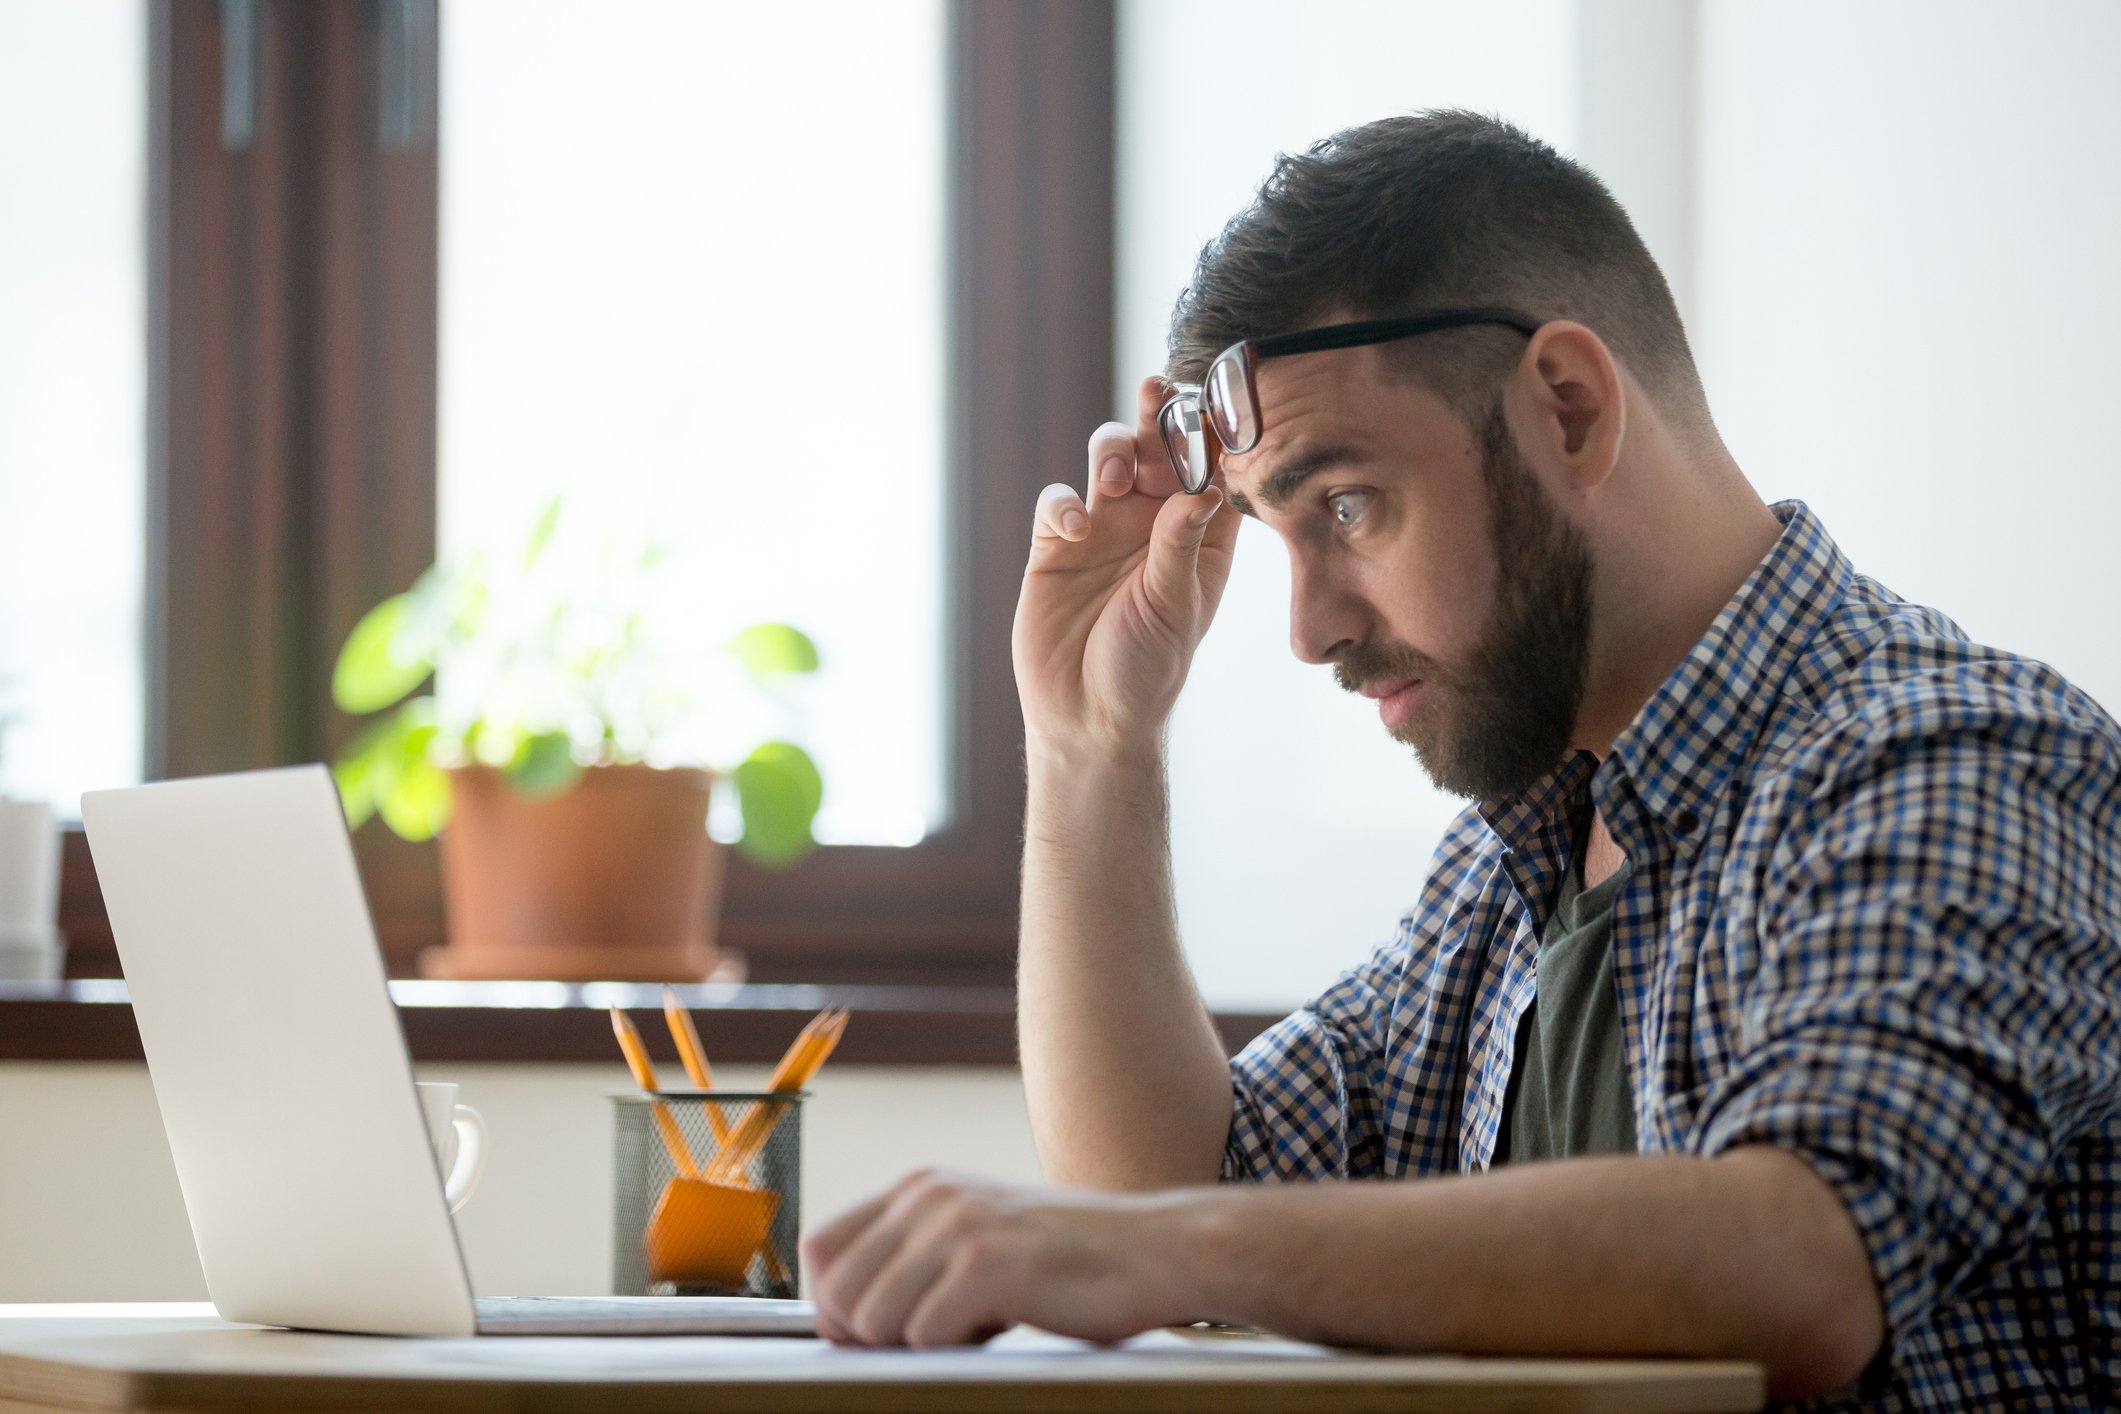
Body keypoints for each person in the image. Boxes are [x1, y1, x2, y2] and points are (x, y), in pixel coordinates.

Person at [801, 111, 2121, 1408]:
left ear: (1567, 406)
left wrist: (1155, 1247)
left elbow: (1803, 1259)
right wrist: (1087, 741)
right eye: (1274, 533)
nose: (1307, 627)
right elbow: (1172, 1188)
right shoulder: (1509, 870)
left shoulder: (1952, 757)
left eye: (1348, 506)